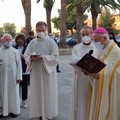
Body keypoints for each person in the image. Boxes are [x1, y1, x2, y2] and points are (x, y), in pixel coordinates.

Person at [24, 21, 59, 120]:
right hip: (36, 72)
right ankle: (38, 112)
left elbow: (56, 58)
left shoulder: (51, 42)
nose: (41, 32)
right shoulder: (32, 42)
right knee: (37, 93)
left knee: (47, 93)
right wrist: (31, 58)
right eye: (39, 30)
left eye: (43, 30)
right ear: (36, 30)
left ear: (46, 30)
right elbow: (26, 55)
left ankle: (48, 113)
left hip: (47, 73)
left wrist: (43, 57)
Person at [89, 27, 120, 120]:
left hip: (110, 89)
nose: (94, 43)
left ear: (105, 38)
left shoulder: (116, 51)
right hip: (99, 85)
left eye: (96, 40)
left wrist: (100, 75)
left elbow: (117, 72)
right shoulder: (104, 48)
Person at [69, 26, 99, 120]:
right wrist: (85, 66)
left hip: (93, 80)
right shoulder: (76, 48)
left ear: (92, 35)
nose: (85, 36)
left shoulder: (98, 47)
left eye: (87, 34)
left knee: (92, 102)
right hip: (81, 80)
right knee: (81, 101)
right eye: (83, 35)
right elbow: (73, 60)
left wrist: (87, 65)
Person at [0, 33, 22, 118]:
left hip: (13, 77)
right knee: (2, 94)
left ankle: (14, 111)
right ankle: (2, 112)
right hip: (2, 77)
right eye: (7, 40)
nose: (9, 41)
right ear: (3, 40)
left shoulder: (15, 51)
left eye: (10, 40)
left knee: (13, 94)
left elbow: (19, 65)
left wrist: (19, 77)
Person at [14, 33, 30, 108]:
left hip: (24, 70)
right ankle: (16, 100)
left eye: (21, 39)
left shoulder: (27, 48)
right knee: (16, 85)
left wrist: (24, 57)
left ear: (24, 40)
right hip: (16, 69)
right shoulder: (14, 47)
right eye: (18, 39)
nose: (19, 41)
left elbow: (30, 57)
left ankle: (24, 100)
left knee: (24, 86)